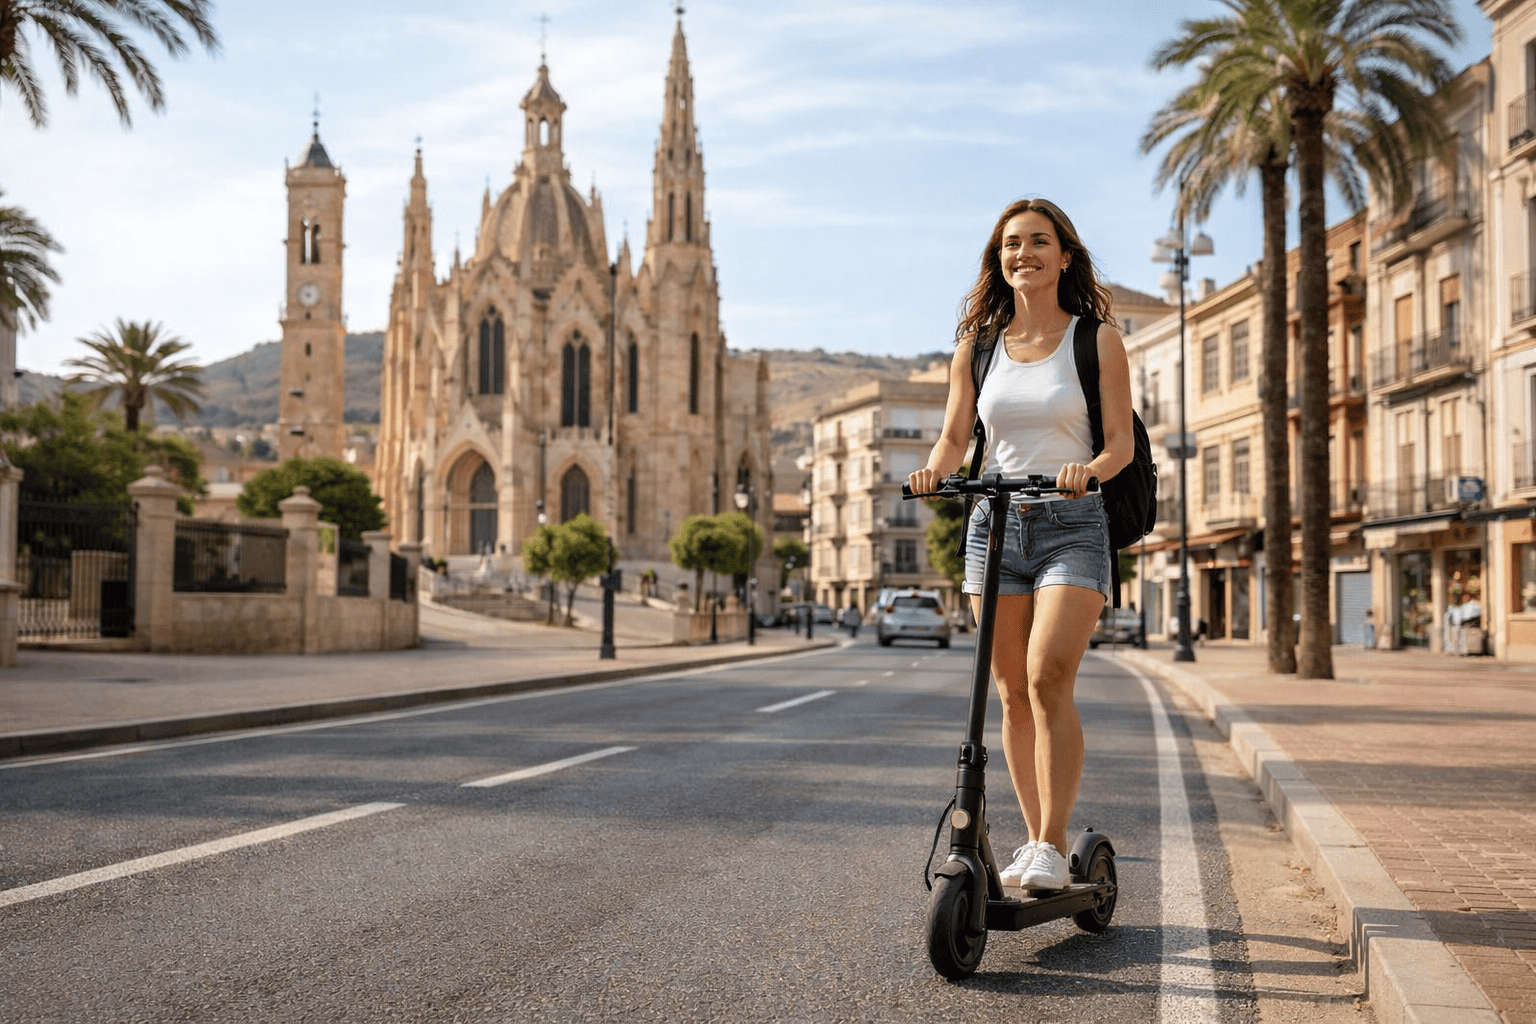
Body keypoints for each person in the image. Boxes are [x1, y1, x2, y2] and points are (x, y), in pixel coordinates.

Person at [907, 198, 1132, 892]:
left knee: (1046, 676)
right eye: (1011, 244)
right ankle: (1037, 846)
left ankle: (1052, 842)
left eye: (1039, 242)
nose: (1023, 254)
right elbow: (954, 438)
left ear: (1064, 255)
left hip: (1072, 522)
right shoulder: (977, 348)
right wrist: (934, 473)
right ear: (997, 259)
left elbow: (1119, 443)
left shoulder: (1096, 340)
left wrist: (1086, 473)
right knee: (1007, 692)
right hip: (994, 524)